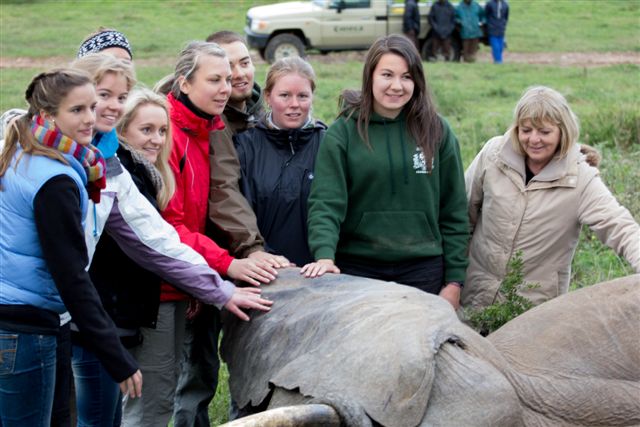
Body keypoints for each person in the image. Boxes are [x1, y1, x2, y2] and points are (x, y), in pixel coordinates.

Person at [122, 41, 277, 427]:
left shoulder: (207, 128)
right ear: (185, 83)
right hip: (157, 285)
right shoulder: (168, 133)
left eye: (228, 78)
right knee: (151, 401)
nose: (227, 87)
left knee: (174, 385)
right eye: (214, 79)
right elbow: (168, 226)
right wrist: (228, 264)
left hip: (182, 279)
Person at [0, 69, 141, 427]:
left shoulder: (22, 148)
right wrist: (116, 357)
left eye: (92, 107)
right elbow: (70, 276)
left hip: (21, 321)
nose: (91, 118)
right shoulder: (55, 179)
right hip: (26, 330)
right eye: (76, 110)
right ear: (48, 117)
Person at [170, 31, 289, 427]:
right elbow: (216, 195)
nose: (235, 77)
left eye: (243, 64)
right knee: (193, 368)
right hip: (203, 259)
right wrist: (249, 248)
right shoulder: (196, 124)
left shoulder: (263, 114)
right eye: (221, 72)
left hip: (228, 256)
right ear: (188, 81)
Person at [302, 35, 469, 310]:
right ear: (370, 77)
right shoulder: (342, 133)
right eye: (387, 75)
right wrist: (324, 256)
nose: (396, 86)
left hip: (423, 269)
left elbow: (454, 211)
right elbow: (325, 203)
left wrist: (454, 282)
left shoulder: (437, 131)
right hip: (358, 267)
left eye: (406, 77)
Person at [461, 86, 640, 310]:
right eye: (526, 130)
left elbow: (619, 226)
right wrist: (452, 278)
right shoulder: (494, 155)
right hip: (472, 295)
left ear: (562, 131)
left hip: (532, 311)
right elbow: (461, 214)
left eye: (544, 132)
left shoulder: (580, 178)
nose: (533, 139)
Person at [236, 56, 327, 266]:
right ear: (268, 96)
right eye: (284, 95)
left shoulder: (329, 145)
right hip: (264, 270)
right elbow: (238, 213)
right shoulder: (244, 147)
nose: (294, 104)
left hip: (320, 273)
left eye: (303, 96)